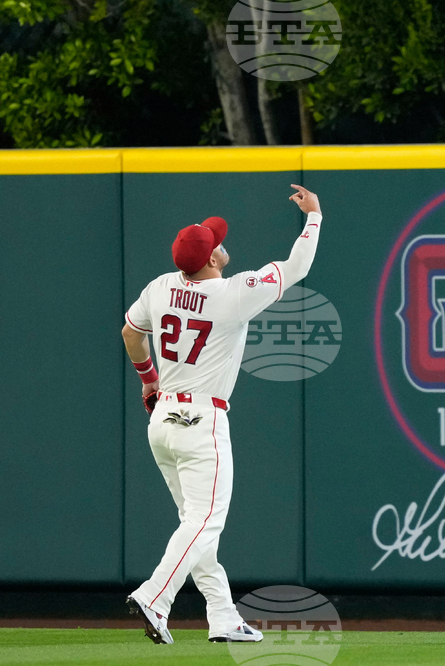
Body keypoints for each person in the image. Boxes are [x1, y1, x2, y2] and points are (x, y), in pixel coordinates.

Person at [121, 184, 323, 644]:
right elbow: (297, 267)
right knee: (203, 522)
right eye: (215, 241)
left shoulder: (160, 286)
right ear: (211, 259)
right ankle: (156, 597)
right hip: (200, 423)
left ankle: (224, 616)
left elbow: (131, 335)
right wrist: (313, 217)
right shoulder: (233, 294)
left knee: (196, 526)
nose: (220, 242)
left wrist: (148, 380)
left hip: (163, 422)